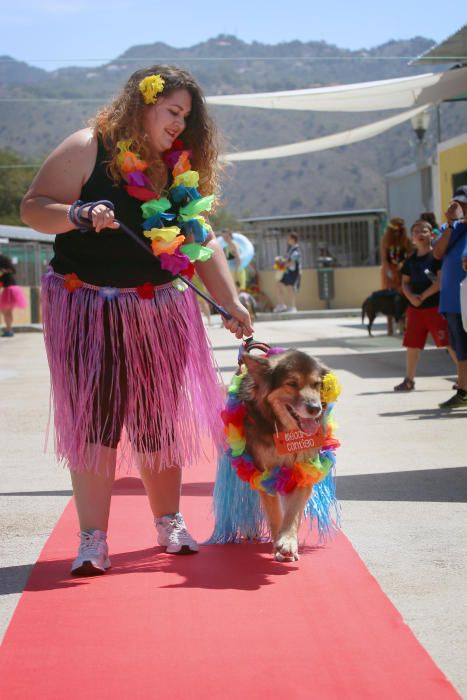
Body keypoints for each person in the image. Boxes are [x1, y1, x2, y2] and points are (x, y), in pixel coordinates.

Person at [20, 64, 254, 576]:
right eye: (172, 112)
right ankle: (92, 539)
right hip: (87, 306)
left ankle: (168, 521)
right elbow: (34, 209)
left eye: (186, 117)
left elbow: (202, 239)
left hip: (158, 307)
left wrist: (230, 302)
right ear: (143, 105)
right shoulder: (89, 146)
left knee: (157, 420)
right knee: (96, 421)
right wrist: (79, 214)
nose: (179, 124)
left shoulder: (177, 167)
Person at [394, 220, 457, 391]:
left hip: (435, 307)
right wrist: (411, 297)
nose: (420, 234)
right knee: (412, 345)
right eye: (416, 231)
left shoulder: (437, 257)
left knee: (448, 342)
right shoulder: (410, 260)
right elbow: (404, 282)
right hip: (415, 310)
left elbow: (440, 282)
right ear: (412, 237)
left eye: (424, 231)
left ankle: (463, 378)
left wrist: (422, 296)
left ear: (431, 234)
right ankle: (409, 380)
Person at [433, 185, 467, 409]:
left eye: (463, 203)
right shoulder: (450, 228)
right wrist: (451, 224)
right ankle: (463, 391)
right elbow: (436, 253)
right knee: (460, 347)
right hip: (454, 301)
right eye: (456, 203)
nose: (459, 207)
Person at [380, 217, 412, 334]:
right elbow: (384, 259)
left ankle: (403, 325)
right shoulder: (385, 241)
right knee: (389, 298)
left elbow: (409, 256)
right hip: (389, 272)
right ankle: (389, 327)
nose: (397, 233)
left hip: (403, 271)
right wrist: (389, 272)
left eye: (399, 231)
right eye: (394, 231)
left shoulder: (406, 240)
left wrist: (403, 269)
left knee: (403, 297)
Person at [274, 232, 302, 313]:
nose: (287, 240)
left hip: (293, 271)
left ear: (293, 239)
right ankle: (282, 305)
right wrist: (281, 261)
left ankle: (293, 307)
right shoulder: (291, 249)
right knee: (278, 285)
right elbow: (288, 260)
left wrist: (282, 265)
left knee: (290, 288)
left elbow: (292, 262)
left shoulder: (297, 249)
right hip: (287, 271)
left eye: (289, 238)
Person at [0, 254, 27, 337]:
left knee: (5, 312)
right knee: (8, 312)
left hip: (9, 291)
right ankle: (9, 329)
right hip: (15, 290)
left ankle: (8, 330)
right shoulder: (9, 271)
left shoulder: (3, 272)